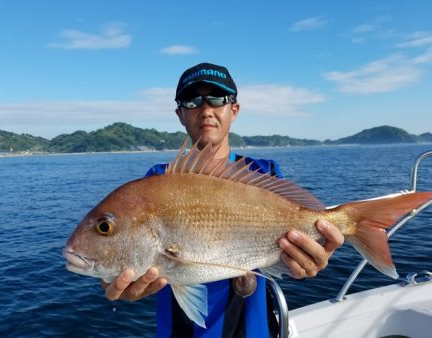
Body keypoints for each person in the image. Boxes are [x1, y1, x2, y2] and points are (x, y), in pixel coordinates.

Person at [102, 63, 344, 337]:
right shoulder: (157, 181)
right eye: (192, 101)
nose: (206, 110)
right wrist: (115, 282)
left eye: (218, 99)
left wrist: (308, 261)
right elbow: (126, 257)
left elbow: (290, 252)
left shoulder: (263, 173)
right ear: (180, 114)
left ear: (234, 110)